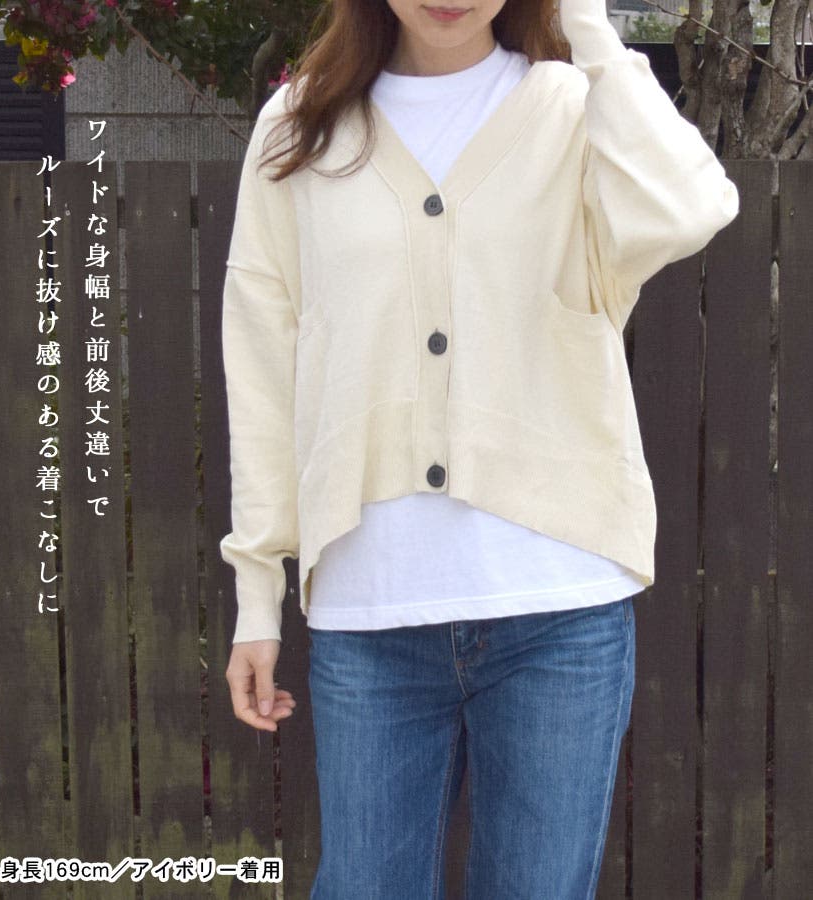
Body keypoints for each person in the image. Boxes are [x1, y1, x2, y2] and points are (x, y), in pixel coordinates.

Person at [221, 1, 739, 897]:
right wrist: (256, 594)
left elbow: (692, 208)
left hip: (559, 606)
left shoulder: (576, 104)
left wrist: (589, 27)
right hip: (371, 614)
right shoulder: (300, 124)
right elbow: (263, 366)